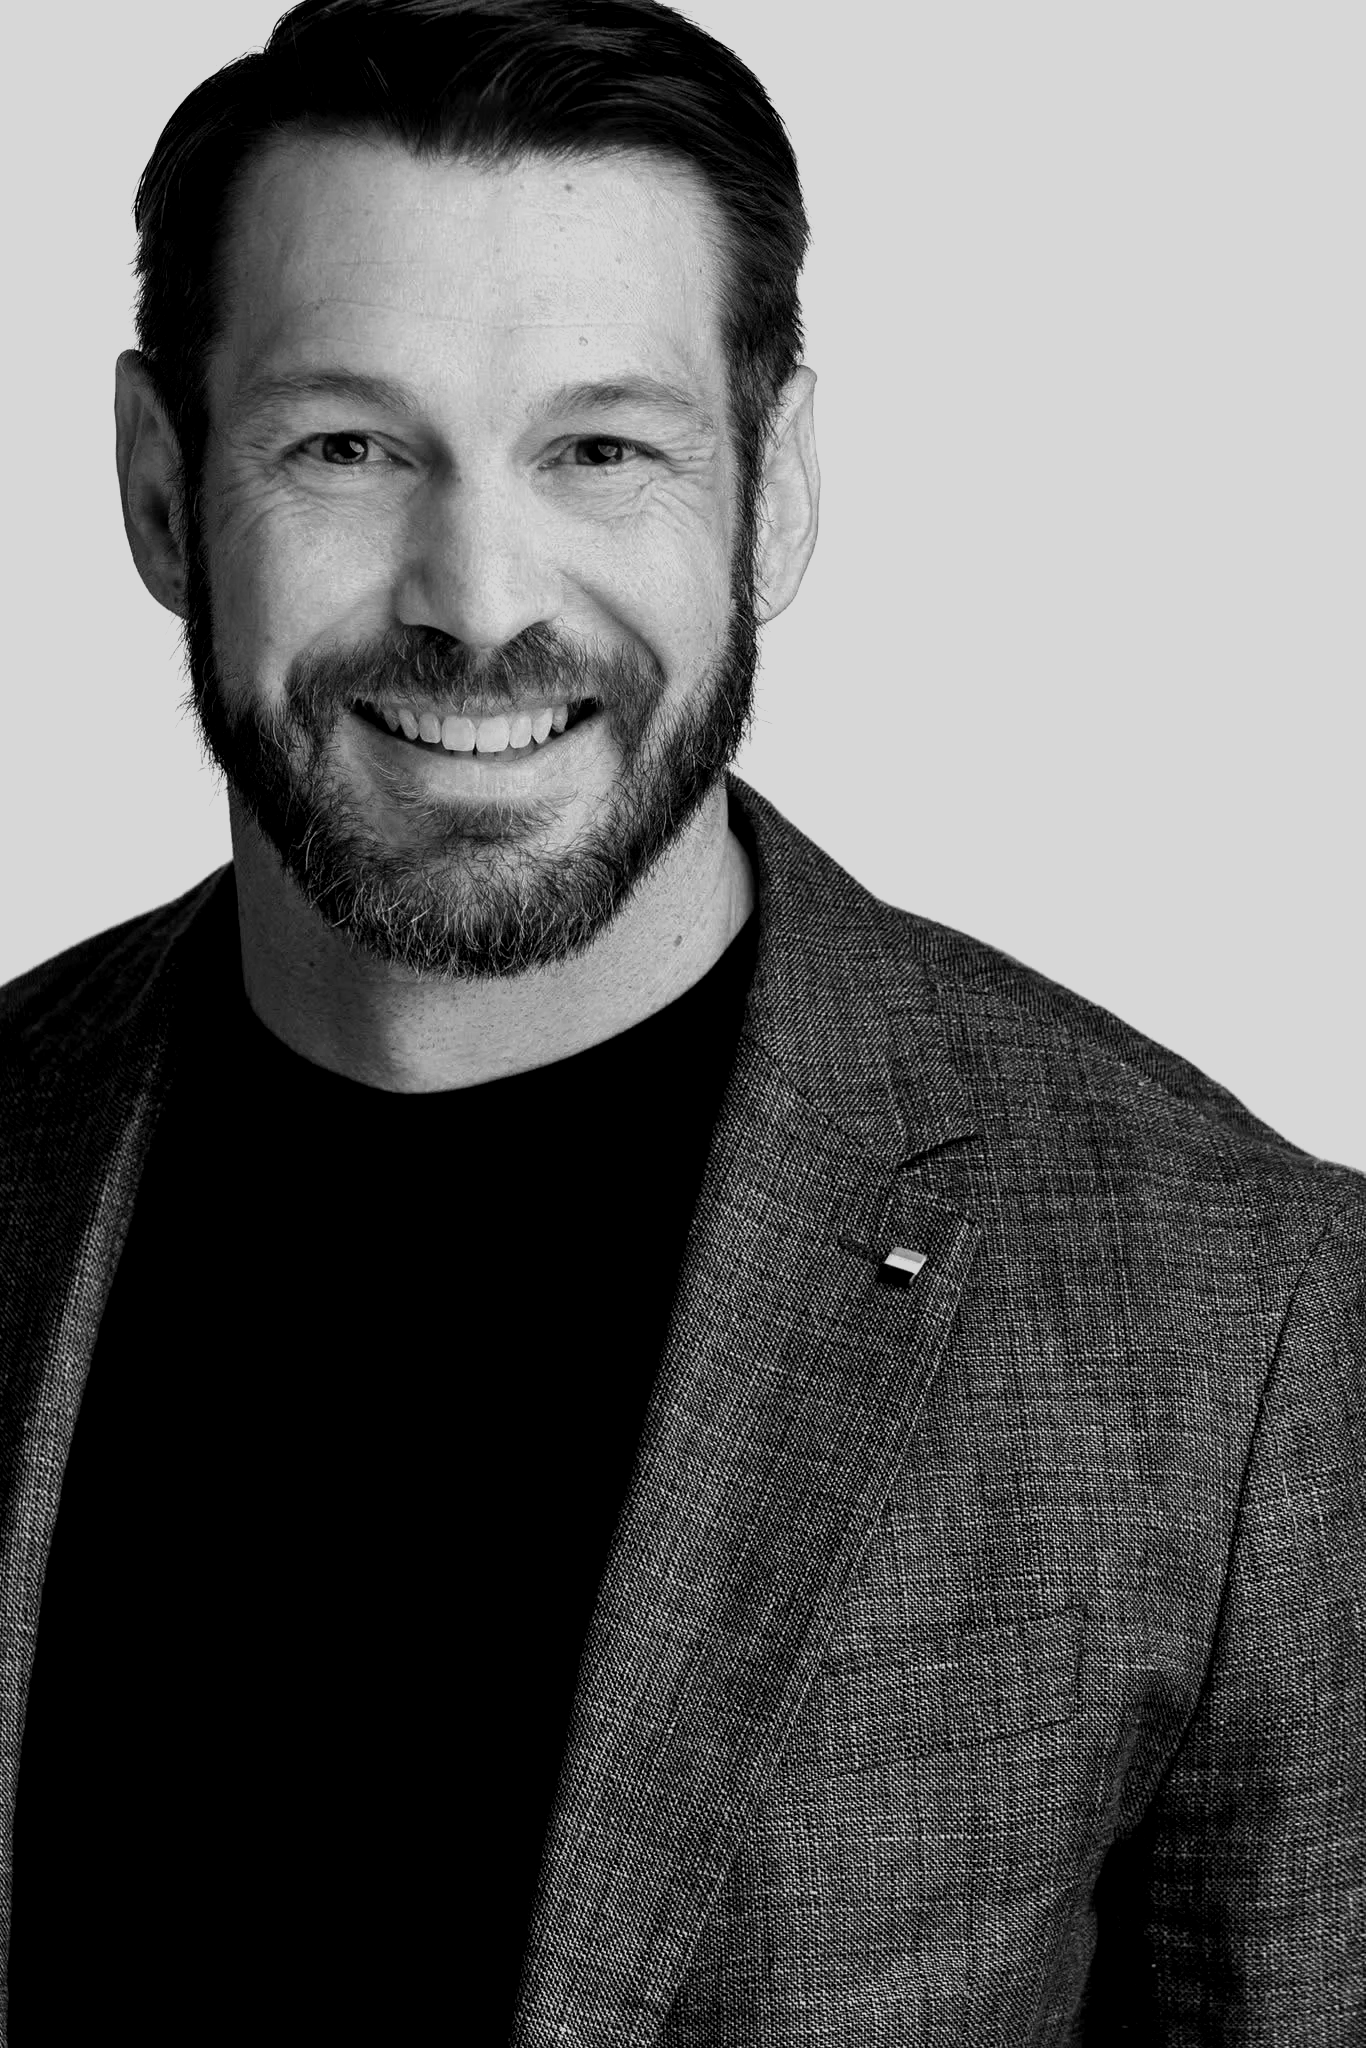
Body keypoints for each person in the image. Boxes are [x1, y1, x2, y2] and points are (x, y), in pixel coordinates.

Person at [0, 0, 1361, 2040]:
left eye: (600, 448)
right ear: (163, 489)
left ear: (774, 489)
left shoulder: (1233, 1320)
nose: (475, 598)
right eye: (347, 447)